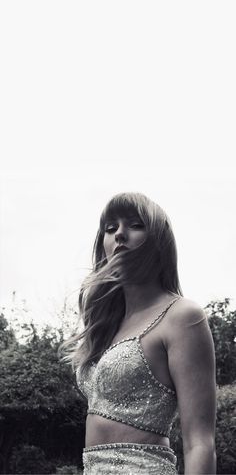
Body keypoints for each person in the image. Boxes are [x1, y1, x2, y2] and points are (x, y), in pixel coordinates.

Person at [62, 192, 216, 474]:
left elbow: (199, 442)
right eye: (111, 228)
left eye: (134, 224)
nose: (120, 234)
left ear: (159, 240)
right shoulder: (106, 323)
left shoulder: (182, 317)